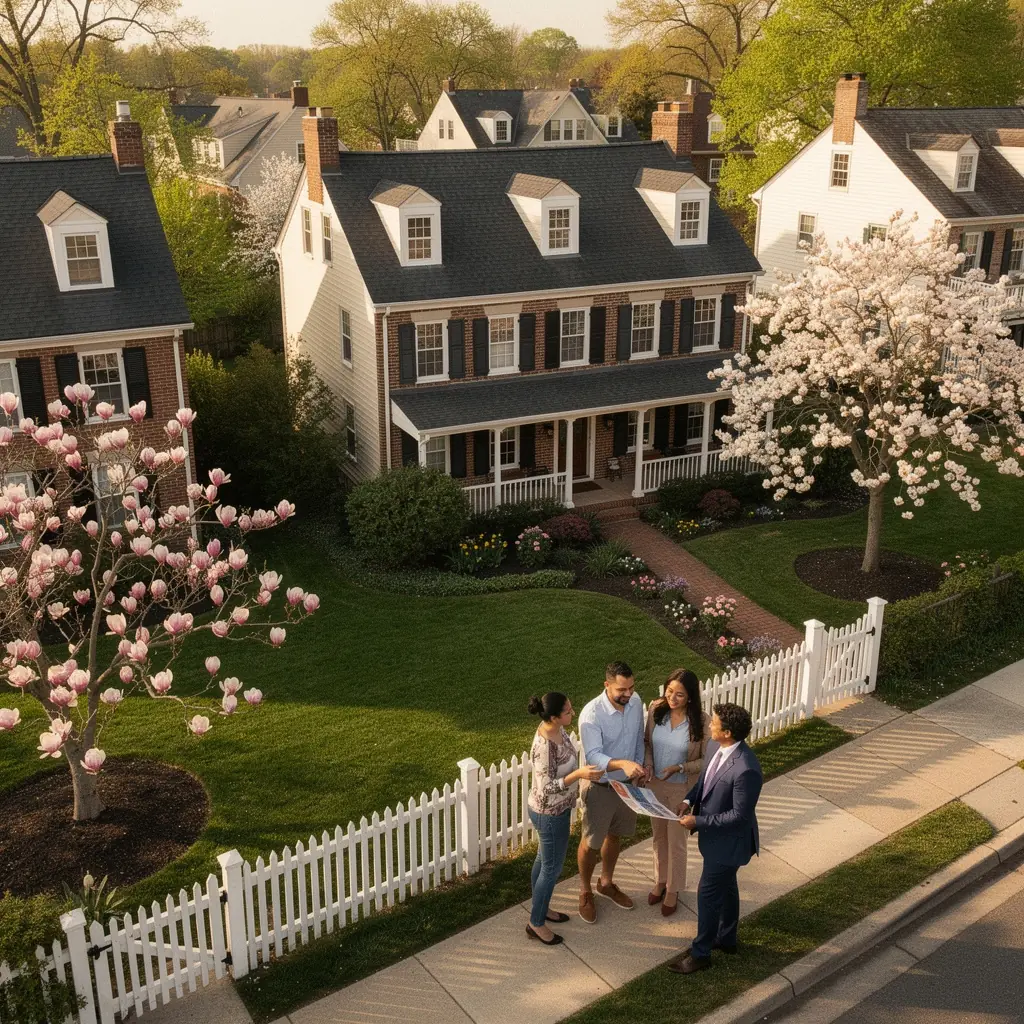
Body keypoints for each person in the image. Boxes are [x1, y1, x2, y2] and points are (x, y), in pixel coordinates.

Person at [668, 702, 762, 975]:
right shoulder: (714, 747)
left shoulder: (746, 769)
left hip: (729, 843)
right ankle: (727, 938)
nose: (710, 725)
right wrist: (689, 800)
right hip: (716, 841)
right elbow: (705, 782)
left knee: (707, 894)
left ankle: (701, 953)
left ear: (728, 732)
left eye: (715, 724)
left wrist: (698, 821)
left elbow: (739, 816)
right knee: (727, 887)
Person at [525, 692, 603, 945]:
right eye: (568, 711)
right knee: (552, 868)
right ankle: (536, 923)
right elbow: (547, 786)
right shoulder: (544, 746)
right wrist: (579, 774)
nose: (573, 713)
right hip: (549, 813)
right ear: (555, 717)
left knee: (543, 860)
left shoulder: (557, 729)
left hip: (558, 809)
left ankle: (541, 906)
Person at [576, 661, 649, 925]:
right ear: (606, 685)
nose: (628, 694)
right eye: (621, 689)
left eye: (631, 687)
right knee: (591, 842)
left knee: (615, 835)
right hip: (601, 785)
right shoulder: (591, 715)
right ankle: (585, 891)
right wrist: (623, 764)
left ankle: (605, 883)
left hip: (627, 786)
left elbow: (638, 738)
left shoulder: (635, 701)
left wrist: (639, 768)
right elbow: (594, 755)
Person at [643, 669, 710, 917]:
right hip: (655, 786)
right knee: (658, 837)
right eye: (669, 691)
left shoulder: (701, 721)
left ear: (690, 697)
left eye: (679, 695)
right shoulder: (656, 709)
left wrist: (680, 767)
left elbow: (706, 759)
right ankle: (660, 881)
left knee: (676, 842)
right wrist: (649, 764)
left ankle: (673, 888)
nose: (672, 698)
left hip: (681, 788)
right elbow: (647, 742)